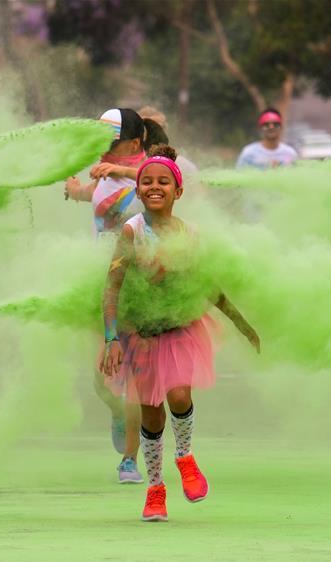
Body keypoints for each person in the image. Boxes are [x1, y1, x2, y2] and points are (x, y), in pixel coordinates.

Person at [101, 145, 260, 522]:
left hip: (179, 330)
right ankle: (156, 489)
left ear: (178, 190)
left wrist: (240, 322)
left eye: (163, 181)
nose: (155, 187)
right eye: (147, 182)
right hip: (142, 334)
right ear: (138, 191)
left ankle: (185, 457)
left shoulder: (191, 234)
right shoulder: (132, 230)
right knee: (152, 417)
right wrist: (110, 338)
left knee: (178, 393)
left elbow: (208, 285)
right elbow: (112, 286)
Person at [64, 108, 168, 484]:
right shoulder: (104, 175)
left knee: (137, 380)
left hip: (142, 288)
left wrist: (124, 172)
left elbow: (160, 180)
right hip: (104, 285)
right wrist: (73, 188)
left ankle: (129, 459)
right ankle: (119, 415)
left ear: (135, 143)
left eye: (112, 140)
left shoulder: (151, 175)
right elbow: (94, 195)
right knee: (101, 380)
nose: (103, 148)